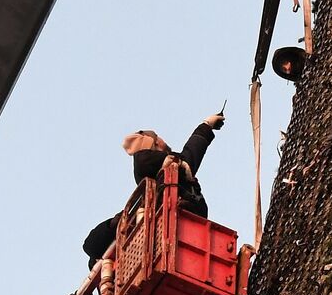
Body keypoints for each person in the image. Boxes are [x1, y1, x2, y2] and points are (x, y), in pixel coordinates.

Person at [80, 112, 226, 267]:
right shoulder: (169, 172)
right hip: (178, 241)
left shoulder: (141, 203)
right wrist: (206, 126)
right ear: (155, 144)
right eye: (159, 137)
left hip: (157, 253)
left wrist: (118, 222)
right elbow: (188, 159)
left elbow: (90, 246)